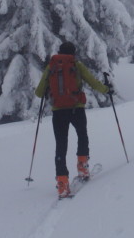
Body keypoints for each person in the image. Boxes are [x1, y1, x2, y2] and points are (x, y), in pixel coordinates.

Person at [34, 41, 111, 198]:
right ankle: (82, 167)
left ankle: (62, 183)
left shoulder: (51, 67)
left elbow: (39, 93)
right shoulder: (76, 65)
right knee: (82, 135)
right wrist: (106, 89)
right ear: (73, 53)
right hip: (77, 109)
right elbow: (92, 81)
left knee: (61, 145)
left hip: (58, 112)